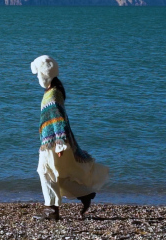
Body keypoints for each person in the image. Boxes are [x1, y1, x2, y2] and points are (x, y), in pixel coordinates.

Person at [30, 55, 109, 220]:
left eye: (38, 73)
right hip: (53, 141)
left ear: (44, 74)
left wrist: (59, 144)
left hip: (53, 143)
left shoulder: (52, 94)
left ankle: (51, 211)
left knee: (45, 172)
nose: (37, 77)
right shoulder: (54, 90)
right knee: (57, 175)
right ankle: (85, 194)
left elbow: (59, 121)